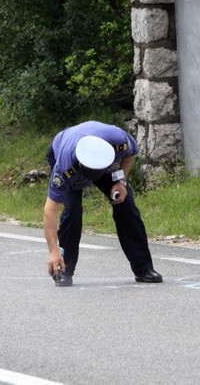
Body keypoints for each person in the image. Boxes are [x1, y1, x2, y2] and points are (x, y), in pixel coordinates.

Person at [43, 120, 163, 286]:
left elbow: (130, 154)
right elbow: (50, 210)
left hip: (106, 165)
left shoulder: (119, 140)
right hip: (69, 157)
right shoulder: (64, 166)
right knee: (72, 212)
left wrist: (121, 181)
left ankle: (143, 269)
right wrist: (53, 251)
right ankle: (64, 270)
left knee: (125, 204)